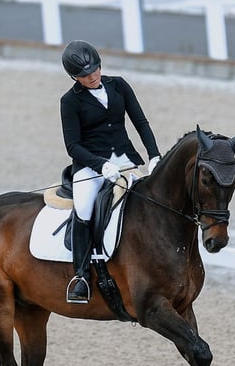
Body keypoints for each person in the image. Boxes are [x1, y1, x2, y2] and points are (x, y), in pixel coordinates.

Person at [60, 39, 161, 303]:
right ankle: (80, 276)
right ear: (74, 77)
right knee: (83, 207)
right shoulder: (69, 102)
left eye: (95, 70)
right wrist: (100, 165)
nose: (92, 77)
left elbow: (140, 121)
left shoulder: (119, 85)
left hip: (127, 160)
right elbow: (72, 145)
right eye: (85, 75)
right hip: (93, 167)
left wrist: (154, 155)